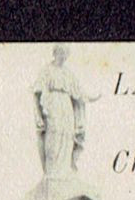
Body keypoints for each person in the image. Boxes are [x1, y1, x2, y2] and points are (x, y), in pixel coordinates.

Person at [32, 44, 92, 179]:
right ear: (55, 53)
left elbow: (79, 93)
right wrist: (38, 115)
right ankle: (51, 171)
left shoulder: (68, 73)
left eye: (65, 53)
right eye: (61, 52)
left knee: (67, 135)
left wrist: (90, 97)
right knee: (54, 134)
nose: (63, 56)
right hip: (52, 105)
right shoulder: (46, 71)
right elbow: (36, 92)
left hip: (66, 106)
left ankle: (66, 170)